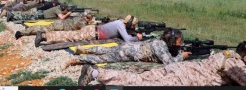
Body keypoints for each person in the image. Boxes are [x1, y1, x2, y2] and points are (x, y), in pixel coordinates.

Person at [78, 41, 246, 86]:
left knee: (139, 78)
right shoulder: (234, 63)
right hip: (184, 79)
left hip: (177, 69)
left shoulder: (224, 55)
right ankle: (95, 73)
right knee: (140, 84)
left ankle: (95, 72)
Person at [60, 28, 191, 69]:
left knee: (104, 49)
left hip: (126, 46)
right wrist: (182, 56)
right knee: (100, 58)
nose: (181, 41)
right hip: (126, 53)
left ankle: (84, 49)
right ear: (172, 40)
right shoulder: (161, 46)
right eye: (179, 40)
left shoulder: (158, 40)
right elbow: (169, 63)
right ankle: (76, 59)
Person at [34, 15, 143, 47]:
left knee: (69, 34)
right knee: (68, 36)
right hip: (91, 33)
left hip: (92, 30)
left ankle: (44, 35)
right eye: (132, 26)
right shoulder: (120, 25)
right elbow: (128, 40)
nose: (132, 27)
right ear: (129, 24)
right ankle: (43, 36)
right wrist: (137, 38)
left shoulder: (119, 22)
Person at [14, 14, 90, 39]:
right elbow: (86, 29)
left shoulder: (78, 17)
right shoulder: (81, 22)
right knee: (42, 29)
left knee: (41, 27)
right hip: (60, 26)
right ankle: (21, 33)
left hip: (59, 23)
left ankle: (23, 32)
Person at [6, 3, 72, 22]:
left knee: (27, 15)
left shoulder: (58, 7)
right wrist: (68, 14)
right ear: (63, 8)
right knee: (27, 17)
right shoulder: (58, 9)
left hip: (42, 13)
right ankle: (12, 15)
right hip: (41, 15)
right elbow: (62, 18)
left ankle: (12, 15)